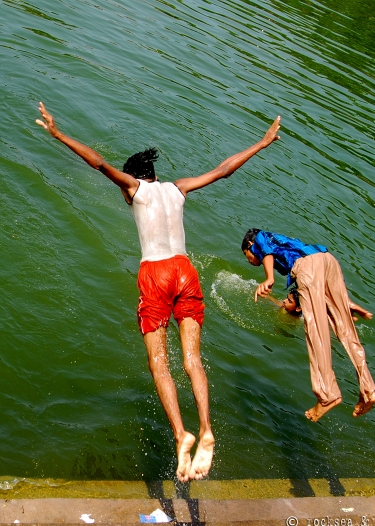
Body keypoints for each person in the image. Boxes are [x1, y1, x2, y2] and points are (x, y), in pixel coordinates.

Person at [36, 101, 281, 481]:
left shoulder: (134, 189)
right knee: (193, 361)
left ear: (135, 177)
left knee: (159, 364)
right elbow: (223, 170)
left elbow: (98, 163)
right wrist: (261, 144)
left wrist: (58, 134)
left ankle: (181, 433)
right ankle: (206, 430)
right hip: (186, 270)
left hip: (156, 273)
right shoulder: (178, 189)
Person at [242, 229, 375, 422]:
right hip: (327, 261)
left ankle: (327, 394)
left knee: (316, 332)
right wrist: (346, 304)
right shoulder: (284, 241)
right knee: (346, 329)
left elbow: (265, 250)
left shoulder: (260, 238)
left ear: (249, 246)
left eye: (248, 257)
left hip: (308, 268)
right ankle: (368, 389)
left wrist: (269, 278)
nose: (250, 261)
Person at [266, 284, 373, 321]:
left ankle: (351, 311)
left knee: (329, 315)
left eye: (288, 301)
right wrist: (267, 296)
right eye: (286, 298)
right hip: (309, 304)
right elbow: (277, 302)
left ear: (298, 308)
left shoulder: (304, 318)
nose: (284, 301)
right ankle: (350, 314)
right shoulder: (285, 306)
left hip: (313, 312)